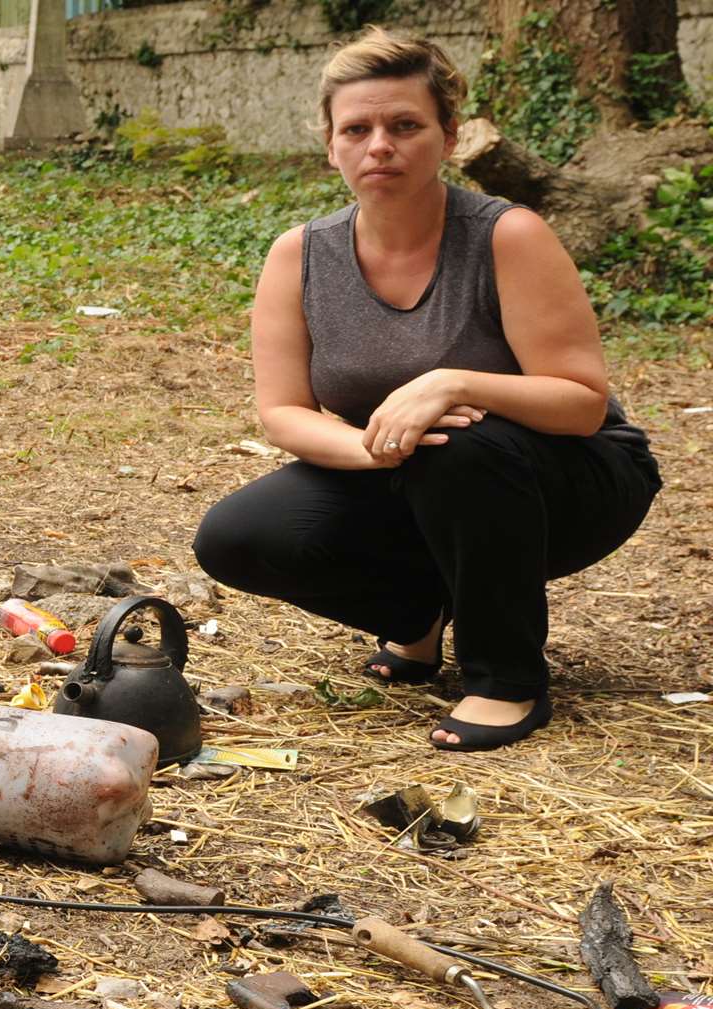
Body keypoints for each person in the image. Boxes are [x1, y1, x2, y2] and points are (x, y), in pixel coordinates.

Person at [191, 27, 662, 752]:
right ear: (332, 145)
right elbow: (282, 412)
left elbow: (582, 403)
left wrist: (451, 382)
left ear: (447, 137)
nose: (380, 144)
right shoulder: (300, 255)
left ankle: (506, 679)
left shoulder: (509, 236)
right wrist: (374, 450)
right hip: (417, 474)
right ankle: (416, 618)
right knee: (237, 537)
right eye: (358, 128)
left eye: (405, 125)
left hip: (571, 483)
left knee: (459, 441)